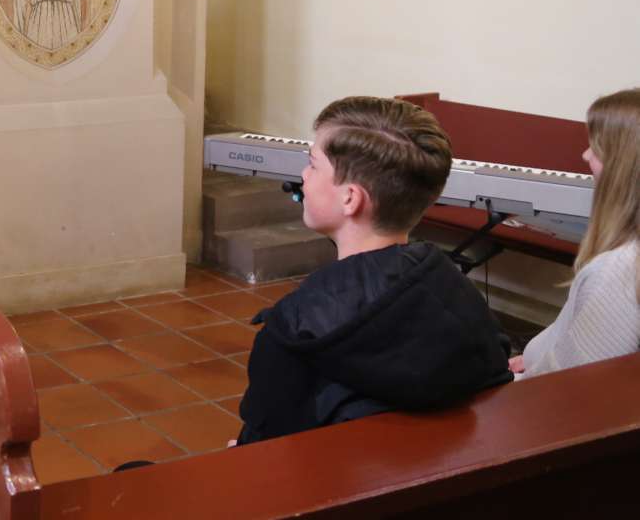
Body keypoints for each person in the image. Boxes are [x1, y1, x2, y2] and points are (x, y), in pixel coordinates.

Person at [234, 95, 512, 445]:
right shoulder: (461, 297)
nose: (304, 175)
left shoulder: (294, 329)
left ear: (350, 199)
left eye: (313, 164)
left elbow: (264, 445)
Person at [513, 87, 640, 377]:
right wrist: (535, 357)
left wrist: (517, 379)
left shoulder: (616, 271)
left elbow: (572, 389)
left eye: (596, 147)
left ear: (622, 166)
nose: (585, 155)